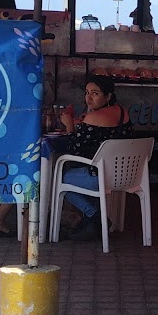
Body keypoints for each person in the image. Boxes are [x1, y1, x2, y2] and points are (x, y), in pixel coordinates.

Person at [55, 76, 133, 241]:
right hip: (125, 175)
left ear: (108, 96)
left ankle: (94, 216)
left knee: (60, 180)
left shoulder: (93, 118)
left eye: (95, 93)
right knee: (77, 173)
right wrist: (84, 122)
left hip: (101, 176)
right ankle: (92, 222)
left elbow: (74, 150)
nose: (88, 98)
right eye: (87, 93)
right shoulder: (122, 112)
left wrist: (69, 125)